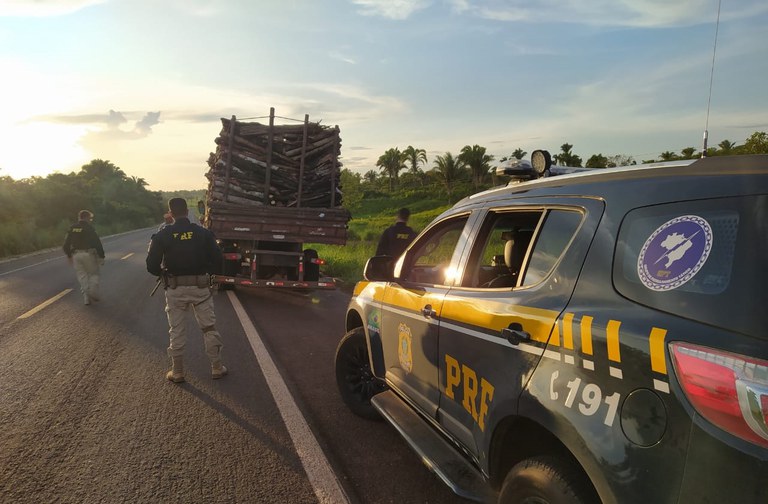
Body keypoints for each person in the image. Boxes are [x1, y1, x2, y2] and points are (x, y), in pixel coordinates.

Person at [146, 197, 227, 383]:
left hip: (175, 289)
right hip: (201, 288)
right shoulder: (203, 233)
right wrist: (209, 274)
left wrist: (163, 273)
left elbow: (151, 265)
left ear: (171, 213)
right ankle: (216, 367)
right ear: (187, 211)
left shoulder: (163, 235)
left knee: (176, 330)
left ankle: (178, 372)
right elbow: (218, 259)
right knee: (208, 328)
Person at [62, 210, 105, 305]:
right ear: (86, 217)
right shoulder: (89, 228)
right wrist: (101, 256)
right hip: (88, 254)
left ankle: (86, 298)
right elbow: (97, 244)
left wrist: (69, 255)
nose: (90, 220)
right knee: (93, 274)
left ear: (79, 217)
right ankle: (92, 292)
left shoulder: (72, 228)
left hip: (76, 255)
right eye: (90, 218)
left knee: (82, 276)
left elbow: (65, 245)